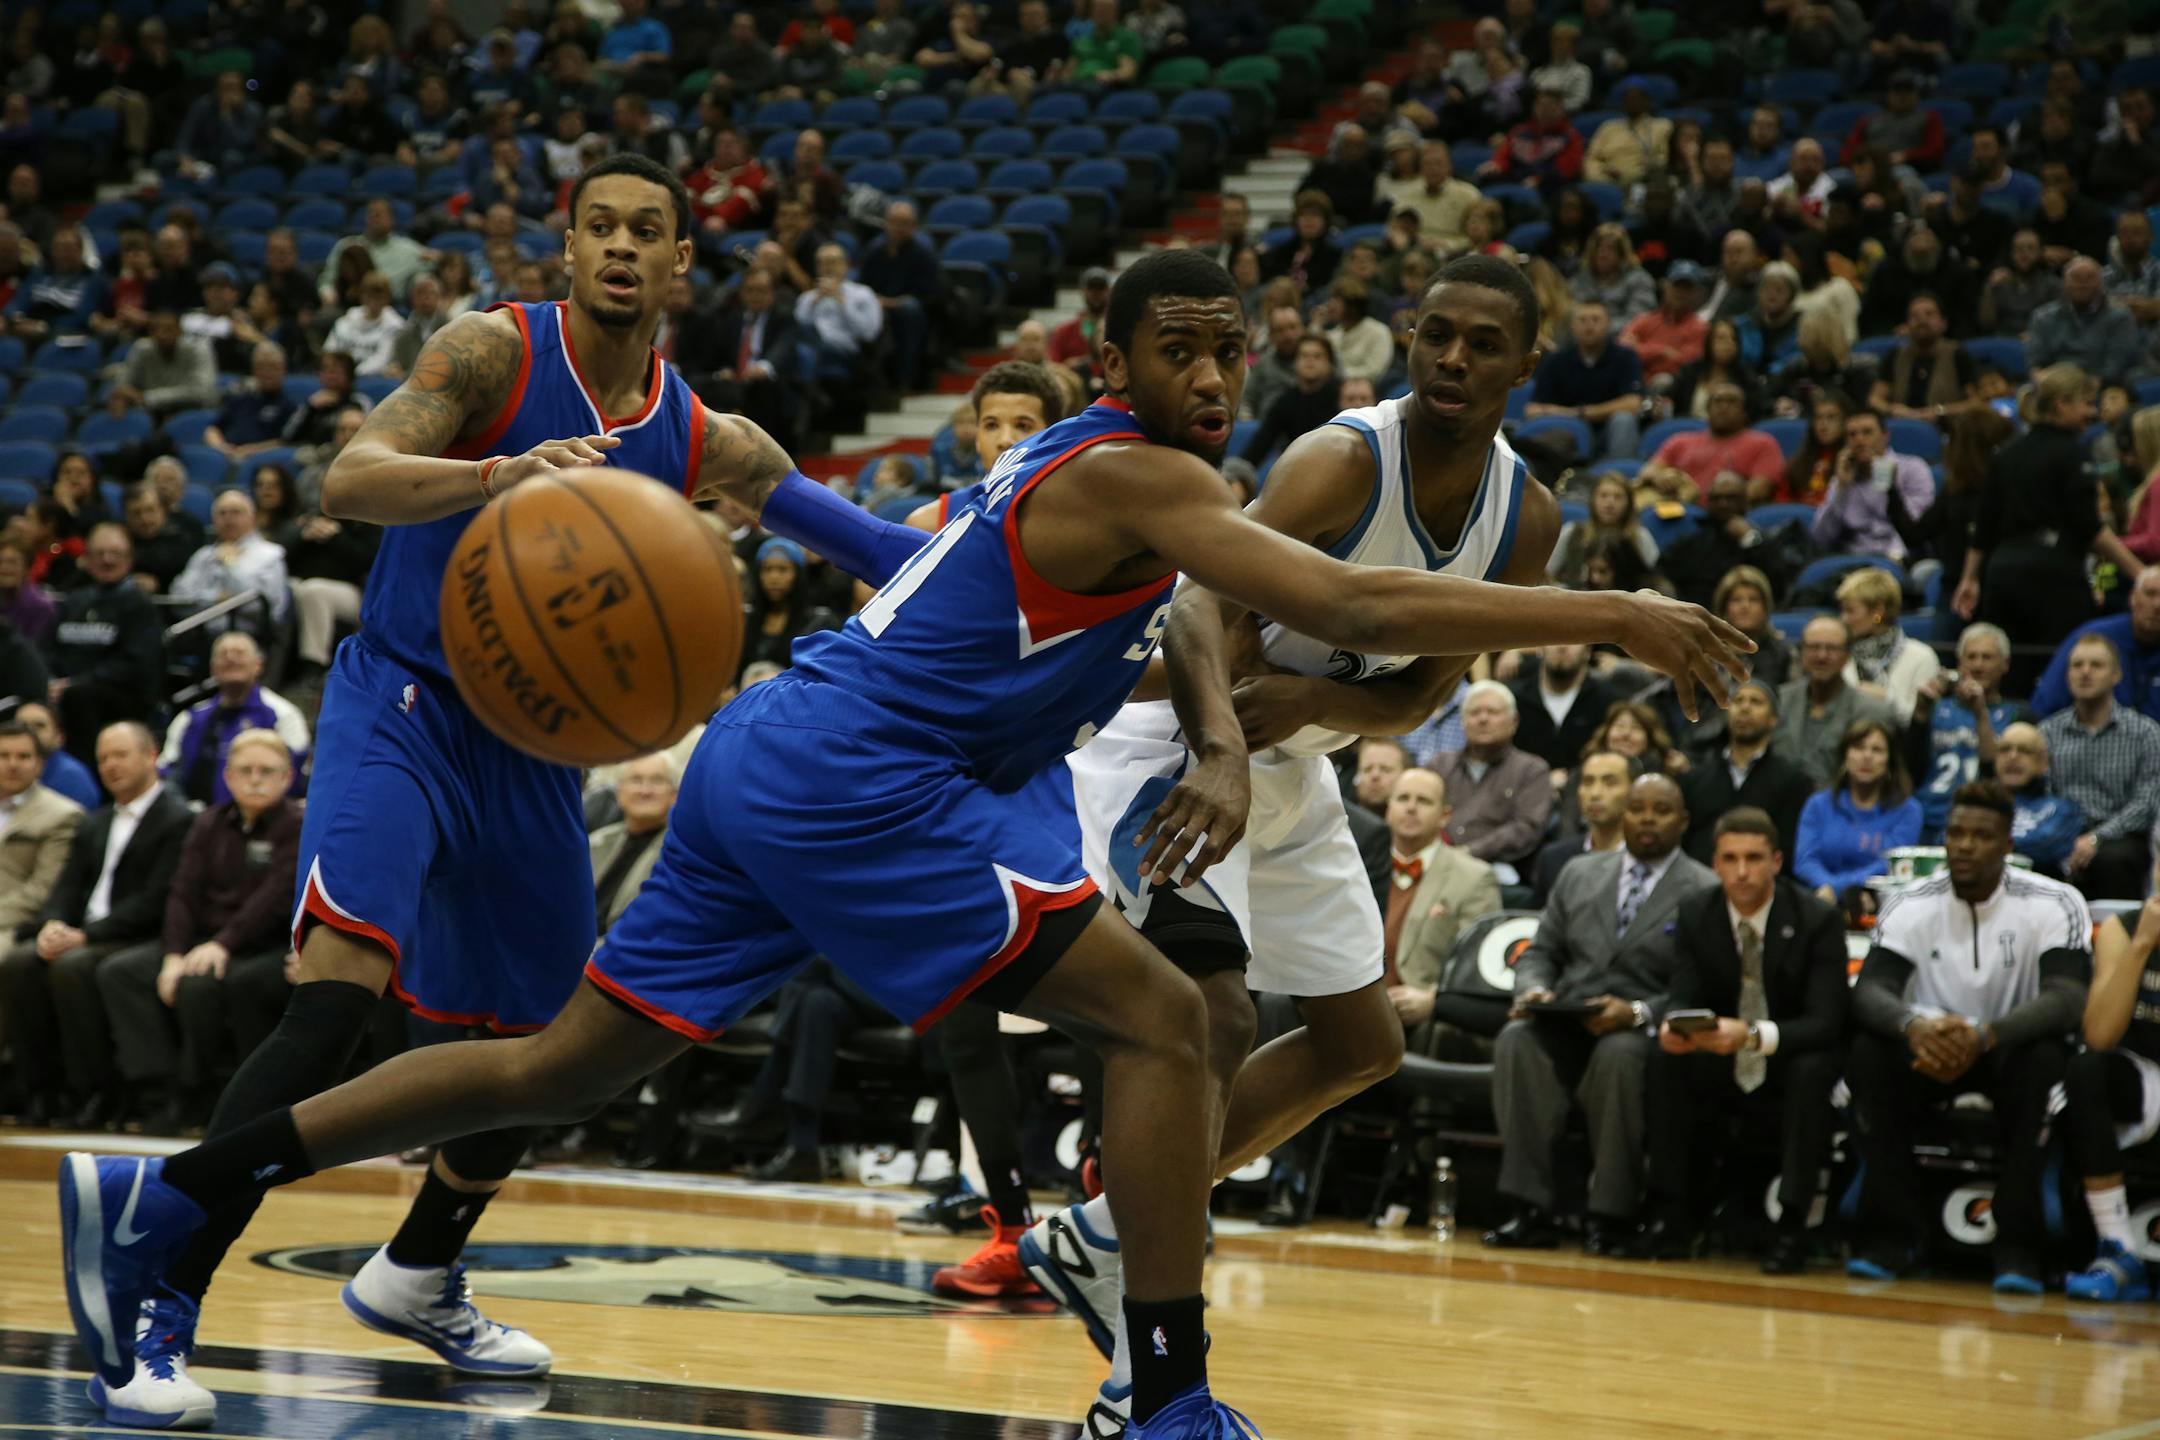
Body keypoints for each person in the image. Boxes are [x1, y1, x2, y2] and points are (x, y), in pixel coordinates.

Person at [62, 249, 1747, 1440]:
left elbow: (995, 579)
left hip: (776, 761)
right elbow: (1354, 601)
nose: (1214, 376)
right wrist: (1612, 609)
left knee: (553, 1068)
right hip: (856, 783)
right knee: (1168, 1018)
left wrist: (1221, 726)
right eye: (1182, 351)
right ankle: (1162, 1395)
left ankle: (175, 1201)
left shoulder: (1091, 472)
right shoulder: (1144, 471)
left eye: (1235, 349)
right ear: (1121, 359)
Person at [55, 154, 732, 1430]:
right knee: (331, 1002)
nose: (624, 249)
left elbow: (816, 512)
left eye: (650, 230)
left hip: (532, 749)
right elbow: (348, 480)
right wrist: (498, 476)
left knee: (545, 1058)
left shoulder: (692, 427)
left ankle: (419, 1269)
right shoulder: (488, 352)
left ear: (684, 259)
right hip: (406, 707)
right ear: (569, 246)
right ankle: (161, 1296)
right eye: (601, 228)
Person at [1846, 781, 2091, 1293]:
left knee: (2047, 1059)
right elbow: (1871, 991)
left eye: (1981, 836)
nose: (1964, 845)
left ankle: (2019, 1246)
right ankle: (1891, 1236)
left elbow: (2068, 998)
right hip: (1929, 1047)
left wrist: (1985, 1035)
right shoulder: (1910, 902)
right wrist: (1913, 1027)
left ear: (2007, 845)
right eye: (1955, 833)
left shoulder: (2055, 901)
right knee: (1869, 1053)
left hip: (2007, 1046)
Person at [1483, 774, 1717, 1252]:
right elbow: (1539, 951)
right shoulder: (1580, 871)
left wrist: (1636, 1012)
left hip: (1641, 1027)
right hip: (1568, 1014)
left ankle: (1609, 1213)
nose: (1647, 818)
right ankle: (1531, 1208)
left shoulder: (1704, 889)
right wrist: (1534, 991)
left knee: (1618, 1057)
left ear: (1685, 821)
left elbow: (1701, 986)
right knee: (1516, 1041)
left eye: (1661, 809)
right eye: (1637, 808)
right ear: (1622, 816)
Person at [1642, 808, 1848, 1272]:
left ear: (1776, 861)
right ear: (1714, 864)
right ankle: (1671, 1214)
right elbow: (1683, 994)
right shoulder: (1698, 913)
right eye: (1730, 858)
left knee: (1811, 1071)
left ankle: (1792, 1223)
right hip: (1721, 1050)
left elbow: (1827, 1021)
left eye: (1753, 858)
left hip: (1788, 1052)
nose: (1741, 871)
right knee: (1663, 1060)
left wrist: (1753, 1035)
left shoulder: (1817, 919)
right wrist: (1677, 1029)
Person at [94, 729, 301, 1135]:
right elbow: (182, 892)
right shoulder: (209, 822)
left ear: (287, 778)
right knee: (121, 971)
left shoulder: (298, 824)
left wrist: (222, 944)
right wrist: (173, 954)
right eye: (245, 770)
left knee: (203, 983)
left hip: (261, 943)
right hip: (202, 941)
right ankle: (158, 1088)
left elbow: (274, 899)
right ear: (227, 777)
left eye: (266, 771)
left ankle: (201, 1092)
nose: (255, 779)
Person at [0, 722, 192, 1129]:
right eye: (103, 757)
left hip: (139, 935)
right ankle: (41, 1089)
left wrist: (85, 934)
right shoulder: (96, 820)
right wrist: (53, 924)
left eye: (120, 755)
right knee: (20, 963)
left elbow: (157, 899)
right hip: (85, 934)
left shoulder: (176, 818)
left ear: (151, 755)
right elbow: (67, 886)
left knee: (74, 966)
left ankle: (100, 1092)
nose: (110, 765)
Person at [1957, 366, 2139, 654]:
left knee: (2010, 671)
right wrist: (2139, 573)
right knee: (2060, 667)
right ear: (2061, 404)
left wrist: (1969, 579)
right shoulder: (2073, 454)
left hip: (2002, 577)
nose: (2092, 413)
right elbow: (2088, 527)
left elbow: (1983, 526)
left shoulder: (2006, 454)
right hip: (2054, 580)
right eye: (2087, 404)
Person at [2059, 873, 2160, 1300]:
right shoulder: (2124, 927)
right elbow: (2100, 1036)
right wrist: (2141, 947)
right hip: (2143, 1071)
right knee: (2086, 1070)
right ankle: (2117, 1247)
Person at [1380, 767, 1503, 1047]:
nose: (1411, 808)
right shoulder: (1356, 864)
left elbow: (1477, 966)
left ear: (1444, 815)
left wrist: (1433, 999)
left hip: (1416, 1011)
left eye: (1423, 801)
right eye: (1402, 799)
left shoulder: (1474, 877)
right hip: (1353, 1001)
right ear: (1388, 809)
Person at [2038, 633, 2160, 901]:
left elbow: (2146, 803)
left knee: (2114, 860)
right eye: (2077, 665)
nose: (2085, 672)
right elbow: (2042, 795)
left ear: (2117, 675)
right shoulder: (2047, 732)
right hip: (2060, 832)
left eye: (2096, 665)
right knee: (2036, 857)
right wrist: (2062, 839)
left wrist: (2097, 838)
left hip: (2119, 836)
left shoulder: (2145, 732)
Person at [44, 526, 164, 767]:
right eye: (100, 554)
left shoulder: (139, 605)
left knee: (79, 697)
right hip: (67, 689)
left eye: (115, 554)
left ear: (129, 560)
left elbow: (136, 663)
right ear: (87, 559)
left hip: (118, 698)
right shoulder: (74, 601)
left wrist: (77, 683)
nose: (107, 560)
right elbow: (46, 649)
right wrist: (49, 680)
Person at [157, 632, 312, 806]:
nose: (231, 658)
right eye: (223, 654)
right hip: (199, 823)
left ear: (258, 665)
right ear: (212, 668)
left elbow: (295, 773)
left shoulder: (283, 715)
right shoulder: (189, 719)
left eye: (239, 653)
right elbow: (166, 774)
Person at [1907, 623, 2026, 841]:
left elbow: (1997, 774)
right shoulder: (1936, 708)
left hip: (1983, 820)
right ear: (1960, 663)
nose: (1978, 665)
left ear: (2005, 664)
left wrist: (1980, 713)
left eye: (1987, 657)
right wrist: (1920, 715)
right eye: (1971, 657)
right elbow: (1909, 769)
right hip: (1928, 818)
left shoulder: (2017, 716)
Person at [1794, 717, 1921, 918]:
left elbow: (1893, 864)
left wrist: (1837, 889)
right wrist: (1828, 889)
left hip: (1882, 905)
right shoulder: (1818, 804)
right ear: (1845, 756)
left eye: (1877, 750)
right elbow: (1805, 860)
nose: (1867, 756)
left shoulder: (1908, 810)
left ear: (1889, 761)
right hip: (1818, 900)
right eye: (1859, 747)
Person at [1432, 680, 1558, 880]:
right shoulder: (1440, 765)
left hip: (1499, 871)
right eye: (1474, 713)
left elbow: (1526, 828)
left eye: (1493, 712)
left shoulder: (1532, 770)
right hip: (1435, 865)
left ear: (1514, 721)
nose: (1483, 719)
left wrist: (1469, 852)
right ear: (1462, 721)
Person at [1677, 679, 1812, 862]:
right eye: (1738, 701)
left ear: (1774, 719)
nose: (1745, 708)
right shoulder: (1694, 780)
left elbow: (1790, 847)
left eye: (1756, 702)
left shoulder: (1794, 781)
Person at [1775, 615, 1896, 787]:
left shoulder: (1873, 711)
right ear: (1801, 652)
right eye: (1813, 647)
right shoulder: (1778, 702)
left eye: (1831, 648)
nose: (1821, 656)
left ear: (1847, 656)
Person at [2031, 567, 2160, 725]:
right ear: (2133, 598)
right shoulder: (2094, 638)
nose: (2157, 605)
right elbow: (2045, 704)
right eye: (2150, 594)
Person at [1808, 407, 1933, 566]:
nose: (1859, 440)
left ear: (1885, 436)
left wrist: (1890, 488)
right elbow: (1821, 538)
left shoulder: (1913, 469)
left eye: (1867, 432)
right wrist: (1841, 488)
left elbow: (1915, 529)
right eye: (1852, 435)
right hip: (1853, 563)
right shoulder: (1842, 478)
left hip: (1901, 560)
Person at [1525, 298, 1644, 461]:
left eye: (1596, 320)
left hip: (1608, 432)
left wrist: (1582, 413)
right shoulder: (1556, 360)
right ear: (1572, 326)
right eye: (1582, 320)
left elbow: (1633, 403)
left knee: (1623, 420)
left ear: (1608, 323)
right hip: (1567, 434)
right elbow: (1533, 410)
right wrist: (1572, 415)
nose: (1589, 326)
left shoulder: (1626, 357)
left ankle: (1618, 477)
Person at [0, 719, 83, 952]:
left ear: (40, 765)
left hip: (11, 925)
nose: (12, 764)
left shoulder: (62, 815)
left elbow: (41, 890)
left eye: (23, 757)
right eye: (4, 755)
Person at [167, 490, 291, 635]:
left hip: (249, 637)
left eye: (236, 512)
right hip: (199, 635)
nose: (228, 518)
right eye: (222, 513)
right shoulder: (203, 555)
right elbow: (180, 599)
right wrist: (215, 598)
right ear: (213, 520)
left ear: (253, 518)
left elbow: (263, 607)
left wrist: (229, 564)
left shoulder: (271, 554)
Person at [1637, 384, 1786, 504]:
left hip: (1727, 516)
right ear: (1708, 409)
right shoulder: (1680, 441)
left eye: (1732, 402)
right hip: (1679, 512)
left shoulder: (1763, 443)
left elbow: (1757, 491)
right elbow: (1647, 472)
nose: (1723, 407)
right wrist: (1661, 478)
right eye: (1718, 401)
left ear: (1744, 411)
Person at [1836, 566, 1938, 725]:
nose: (1844, 619)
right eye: (1842, 611)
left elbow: (1922, 722)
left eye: (1850, 611)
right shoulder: (1840, 657)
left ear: (1878, 611)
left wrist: (1887, 699)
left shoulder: (1921, 657)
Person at [591, 752, 677, 935]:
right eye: (636, 780)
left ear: (674, 794)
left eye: (657, 781)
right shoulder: (596, 842)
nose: (645, 791)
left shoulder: (680, 852)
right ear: (618, 791)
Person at [1531, 749, 1632, 903]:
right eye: (1588, 782)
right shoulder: (1553, 859)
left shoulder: (1648, 860)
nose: (1595, 793)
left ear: (1634, 790)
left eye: (1609, 782)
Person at [1509, 642, 1619, 776]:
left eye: (1572, 641)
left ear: (1588, 651)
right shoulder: (1513, 699)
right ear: (1541, 648)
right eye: (1554, 640)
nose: (1562, 647)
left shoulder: (1609, 702)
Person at [1987, 722, 2082, 874]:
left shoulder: (2062, 809)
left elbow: (2046, 846)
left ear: (2043, 762)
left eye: (2024, 751)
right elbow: (1945, 837)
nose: (2013, 756)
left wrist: (1985, 845)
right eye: (2005, 749)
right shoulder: (1979, 804)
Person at [1546, 471, 1657, 588]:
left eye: (1618, 497)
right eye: (1603, 495)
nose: (1610, 503)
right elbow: (1548, 575)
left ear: (1628, 503)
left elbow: (1656, 580)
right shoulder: (1572, 531)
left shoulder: (1640, 536)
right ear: (1593, 500)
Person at [14, 701, 97, 810]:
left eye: (39, 726)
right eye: (22, 726)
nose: (30, 732)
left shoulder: (71, 777)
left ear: (59, 737)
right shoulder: (8, 768)